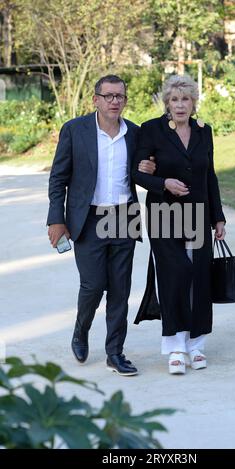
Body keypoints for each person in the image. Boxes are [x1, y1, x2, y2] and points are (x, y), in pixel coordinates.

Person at [47, 74, 155, 376]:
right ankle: (80, 332)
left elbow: (142, 172)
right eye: (108, 96)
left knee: (120, 290)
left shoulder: (135, 133)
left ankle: (115, 353)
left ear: (125, 100)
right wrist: (56, 218)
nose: (114, 101)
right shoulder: (74, 130)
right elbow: (58, 179)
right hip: (89, 219)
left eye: (119, 96)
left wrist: (148, 168)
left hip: (124, 217)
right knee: (93, 286)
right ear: (95, 99)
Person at [132, 74, 226, 375]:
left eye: (186, 99)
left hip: (198, 213)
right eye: (174, 99)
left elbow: (209, 175)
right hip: (163, 213)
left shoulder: (203, 131)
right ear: (167, 103)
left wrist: (218, 217)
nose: (180, 105)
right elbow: (137, 174)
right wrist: (164, 183)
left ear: (193, 102)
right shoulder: (151, 130)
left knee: (198, 277)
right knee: (173, 276)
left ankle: (196, 345)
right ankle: (174, 347)